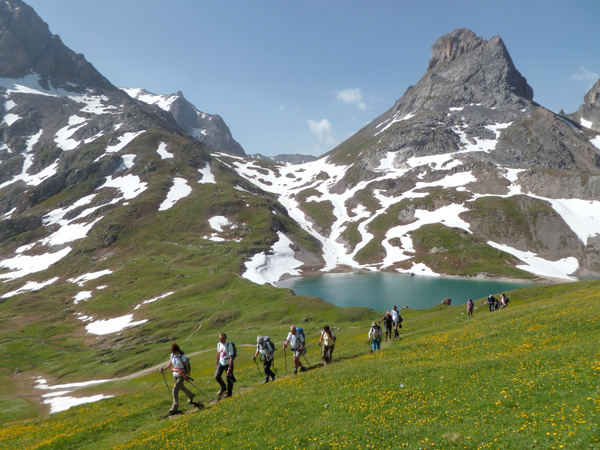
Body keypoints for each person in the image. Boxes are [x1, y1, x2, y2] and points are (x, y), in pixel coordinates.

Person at [160, 343, 194, 413]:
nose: (173, 353)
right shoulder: (172, 356)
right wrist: (164, 369)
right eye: (172, 352)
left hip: (182, 374)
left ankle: (175, 406)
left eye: (174, 352)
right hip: (175, 374)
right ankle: (191, 395)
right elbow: (170, 365)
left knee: (175, 389)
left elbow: (186, 366)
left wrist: (188, 376)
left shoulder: (182, 357)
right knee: (181, 387)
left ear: (177, 351)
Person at [215, 333, 236, 398]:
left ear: (225, 339)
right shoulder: (219, 344)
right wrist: (217, 364)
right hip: (221, 363)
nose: (220, 340)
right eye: (220, 339)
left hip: (228, 363)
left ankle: (229, 394)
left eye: (222, 339)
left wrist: (229, 368)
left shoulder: (228, 345)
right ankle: (223, 387)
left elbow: (231, 357)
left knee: (229, 380)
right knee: (217, 376)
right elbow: (218, 354)